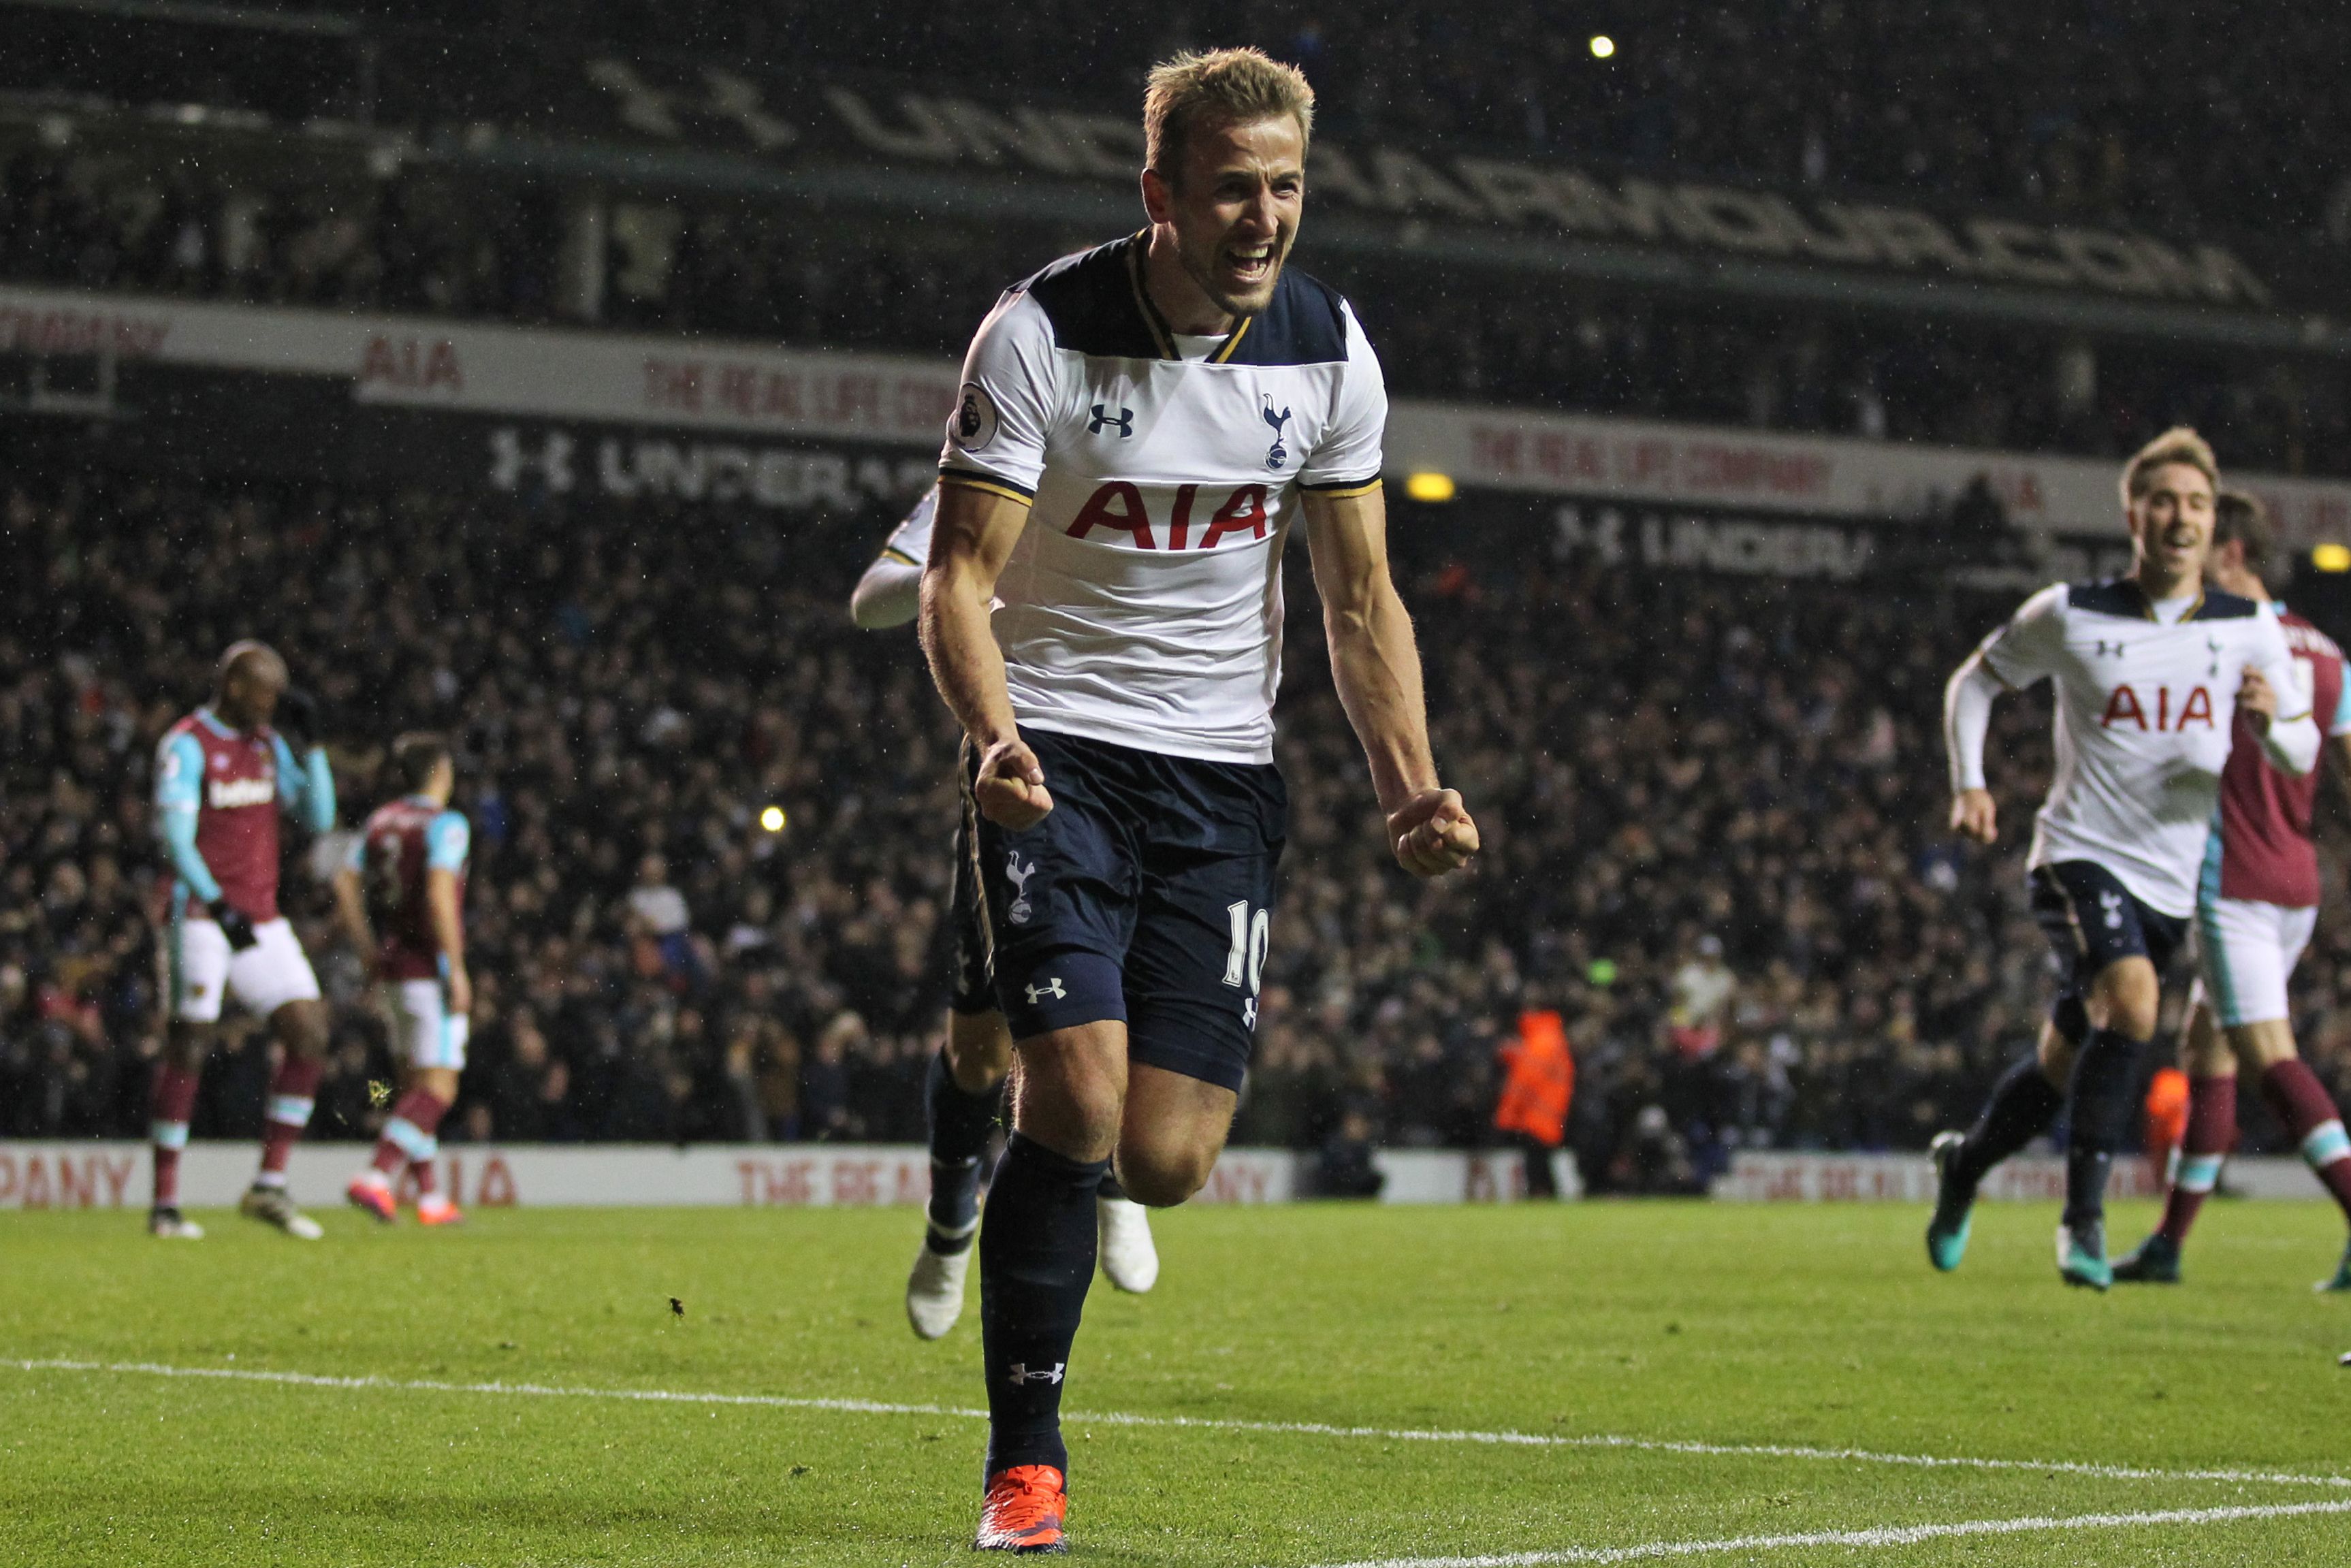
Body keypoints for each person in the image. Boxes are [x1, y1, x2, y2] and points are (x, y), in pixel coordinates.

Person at [918, 46, 1478, 1550]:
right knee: (1079, 1098)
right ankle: (1023, 1461)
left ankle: (1039, 1130)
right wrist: (991, 735)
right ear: (1158, 191)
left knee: (1161, 1156)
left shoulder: (1326, 350)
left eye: (1286, 186)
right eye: (1232, 186)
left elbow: (1360, 602)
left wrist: (1409, 783)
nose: (1263, 215)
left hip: (1222, 776)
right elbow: (956, 579)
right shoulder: (1038, 335)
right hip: (1061, 757)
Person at [1929, 430, 2316, 1290]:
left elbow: (2301, 748)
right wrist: (1971, 782)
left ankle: (1966, 1165)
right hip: (2078, 855)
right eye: (2165, 500)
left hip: (2172, 882)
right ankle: (2083, 1223)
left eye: (2197, 503)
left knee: (2061, 1064)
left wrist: (2271, 722)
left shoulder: (2250, 628)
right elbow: (1976, 682)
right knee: (2134, 1005)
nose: (2181, 517)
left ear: (2216, 525)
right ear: (2132, 513)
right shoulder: (2070, 611)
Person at [850, 490, 1160, 1341]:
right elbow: (873, 595)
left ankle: (1117, 1184)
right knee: (983, 1043)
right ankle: (952, 1214)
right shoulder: (995, 471)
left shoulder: (1178, 458)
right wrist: (956, 582)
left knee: (1129, 995)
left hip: (1158, 762)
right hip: (1025, 769)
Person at [2113, 490, 2351, 1291]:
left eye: (2204, 541)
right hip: (2297, 879)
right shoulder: (2327, 652)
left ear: (2235, 553)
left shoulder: (2218, 639)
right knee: (2205, 1046)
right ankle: (2168, 1245)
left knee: (2265, 1052)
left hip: (2234, 879)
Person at [147, 640, 338, 1239]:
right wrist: (218, 903)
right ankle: (165, 1203)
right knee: (190, 1042)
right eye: (266, 691)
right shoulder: (186, 744)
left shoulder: (268, 745)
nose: (275, 703)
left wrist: (314, 750)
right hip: (203, 916)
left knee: (308, 1030)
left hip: (259, 918)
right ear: (234, 686)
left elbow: (321, 818)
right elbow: (175, 841)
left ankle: (269, 1184)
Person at [336, 732, 472, 1228]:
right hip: (426, 967)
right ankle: (377, 1175)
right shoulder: (446, 824)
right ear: (439, 772)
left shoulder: (379, 821)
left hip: (390, 965)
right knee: (439, 1087)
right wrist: (455, 967)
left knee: (409, 1085)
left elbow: (343, 882)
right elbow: (439, 893)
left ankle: (431, 1198)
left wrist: (366, 948)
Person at [1493, 1008, 1573, 1198]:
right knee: (1542, 1157)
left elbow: (1525, 1080)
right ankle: (1546, 1194)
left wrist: (1507, 1113)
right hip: (1552, 1111)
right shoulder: (1551, 1039)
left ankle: (1541, 1195)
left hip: (1538, 1113)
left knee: (1536, 1160)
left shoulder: (1540, 1042)